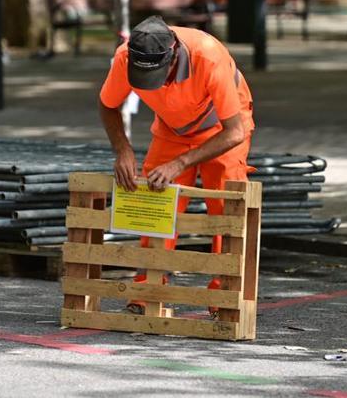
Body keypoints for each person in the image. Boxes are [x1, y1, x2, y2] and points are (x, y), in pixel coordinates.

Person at [98, 16, 255, 316]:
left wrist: (180, 163)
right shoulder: (124, 57)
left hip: (223, 128)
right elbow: (107, 104)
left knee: (225, 208)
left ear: (172, 58)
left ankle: (223, 296)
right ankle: (147, 291)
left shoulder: (207, 56)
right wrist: (123, 150)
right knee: (155, 202)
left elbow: (234, 132)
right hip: (173, 128)